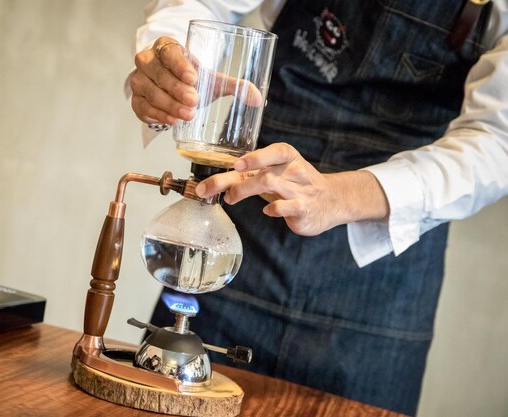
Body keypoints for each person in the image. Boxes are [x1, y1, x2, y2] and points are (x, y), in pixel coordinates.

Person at [127, 1, 508, 415]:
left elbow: (497, 139)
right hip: (239, 235)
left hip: (384, 278)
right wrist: (169, 71)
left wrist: (338, 196)